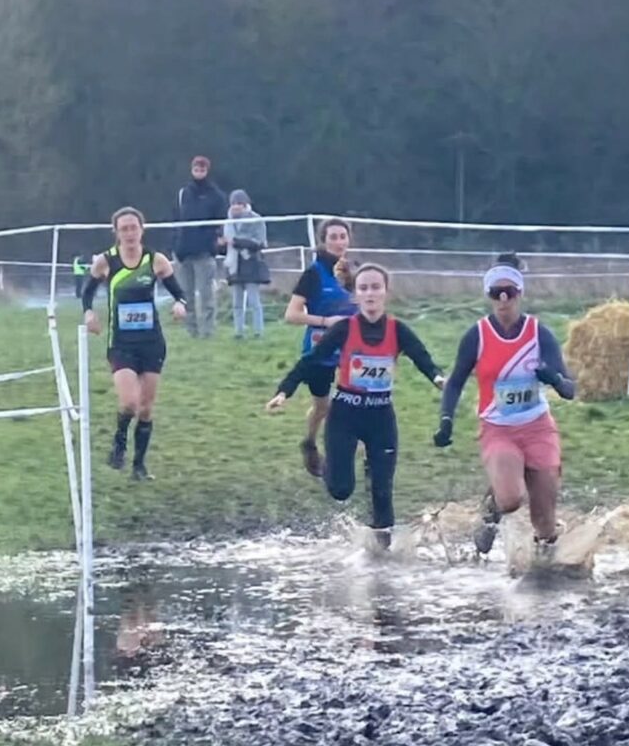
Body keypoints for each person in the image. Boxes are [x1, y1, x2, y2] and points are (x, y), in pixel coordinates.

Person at [266, 264, 444, 548]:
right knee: (340, 490)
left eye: (376, 287)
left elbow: (421, 357)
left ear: (386, 292)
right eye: (363, 288)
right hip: (345, 415)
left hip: (381, 417)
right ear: (355, 296)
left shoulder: (397, 329)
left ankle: (381, 558)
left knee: (382, 492)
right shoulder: (344, 329)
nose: (370, 293)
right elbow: (310, 360)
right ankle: (328, 466)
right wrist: (284, 391)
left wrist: (438, 378)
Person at [435, 254, 576, 557]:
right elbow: (456, 380)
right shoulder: (477, 335)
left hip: (537, 427)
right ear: (488, 297)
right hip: (498, 428)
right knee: (512, 498)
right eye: (495, 293)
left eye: (509, 292)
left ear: (520, 294)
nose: (503, 300)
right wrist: (446, 419)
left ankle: (544, 568)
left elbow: (570, 390)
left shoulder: (539, 333)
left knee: (545, 522)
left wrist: (552, 378)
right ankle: (491, 510)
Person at [82, 207, 187, 481]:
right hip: (121, 343)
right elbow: (86, 293)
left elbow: (179, 292)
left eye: (133, 227)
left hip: (151, 343)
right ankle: (119, 442)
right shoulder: (106, 261)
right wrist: (89, 313)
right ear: (116, 232)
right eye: (124, 228)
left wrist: (179, 304)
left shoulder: (156, 260)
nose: (129, 233)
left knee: (146, 409)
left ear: (142, 229)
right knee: (129, 402)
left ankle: (139, 467)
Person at [283, 217, 358, 477]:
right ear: (323, 241)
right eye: (333, 237)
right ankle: (310, 442)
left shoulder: (352, 273)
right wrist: (326, 321)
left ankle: (351, 457)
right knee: (323, 406)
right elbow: (291, 315)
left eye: (343, 236)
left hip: (351, 351)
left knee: (353, 404)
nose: (339, 242)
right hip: (320, 351)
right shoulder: (313, 274)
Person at [173, 155, 227, 339]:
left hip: (204, 251)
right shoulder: (183, 193)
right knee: (186, 295)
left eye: (202, 168)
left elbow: (220, 223)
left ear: (207, 170)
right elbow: (176, 219)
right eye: (196, 168)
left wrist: (216, 241)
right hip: (183, 251)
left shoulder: (216, 196)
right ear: (192, 169)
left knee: (206, 296)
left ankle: (207, 332)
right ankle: (192, 332)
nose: (199, 171)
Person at [223, 190, 270, 339]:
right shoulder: (228, 222)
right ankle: (238, 332)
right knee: (236, 302)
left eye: (239, 203)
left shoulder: (256, 220)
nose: (236, 207)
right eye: (234, 203)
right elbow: (226, 243)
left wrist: (237, 242)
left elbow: (260, 242)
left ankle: (258, 331)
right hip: (234, 264)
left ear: (246, 204)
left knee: (253, 300)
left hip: (251, 262)